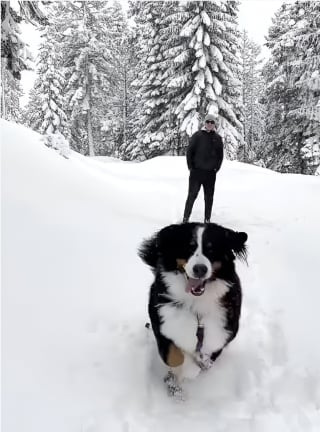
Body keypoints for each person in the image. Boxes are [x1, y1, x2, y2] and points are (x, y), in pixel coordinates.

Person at [182, 114, 224, 223]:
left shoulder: (218, 138)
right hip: (196, 173)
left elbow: (220, 156)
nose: (210, 124)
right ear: (204, 123)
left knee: (209, 198)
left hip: (210, 174)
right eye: (208, 122)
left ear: (214, 124)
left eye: (212, 122)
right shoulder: (197, 136)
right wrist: (191, 167)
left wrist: (216, 169)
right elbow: (189, 152)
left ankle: (207, 220)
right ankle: (185, 219)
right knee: (192, 196)